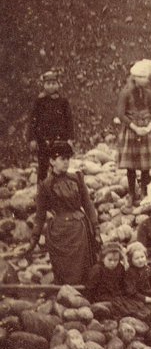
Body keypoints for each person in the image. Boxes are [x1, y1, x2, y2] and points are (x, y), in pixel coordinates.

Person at [30, 142, 98, 285]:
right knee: (62, 269)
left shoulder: (77, 178)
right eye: (62, 159)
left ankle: (85, 288)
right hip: (59, 230)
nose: (66, 162)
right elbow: (40, 215)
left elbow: (88, 204)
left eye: (68, 158)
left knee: (86, 265)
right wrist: (34, 239)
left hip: (79, 227)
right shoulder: (45, 186)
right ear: (52, 161)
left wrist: (95, 227)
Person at [115, 59, 151, 203]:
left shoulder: (149, 94)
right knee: (131, 165)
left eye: (146, 77)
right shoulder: (125, 93)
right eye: (142, 77)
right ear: (135, 78)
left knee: (145, 165)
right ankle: (131, 193)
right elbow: (121, 114)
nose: (145, 80)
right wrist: (135, 127)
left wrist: (148, 127)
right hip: (131, 130)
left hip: (146, 129)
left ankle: (143, 191)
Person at [27, 70, 74, 183]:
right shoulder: (39, 101)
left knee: (59, 166)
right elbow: (32, 121)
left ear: (58, 85)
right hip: (43, 140)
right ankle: (42, 194)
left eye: (53, 83)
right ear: (44, 85)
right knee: (43, 167)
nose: (51, 86)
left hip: (60, 140)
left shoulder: (63, 101)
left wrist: (70, 138)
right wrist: (32, 138)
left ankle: (59, 191)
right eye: (48, 83)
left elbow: (69, 120)